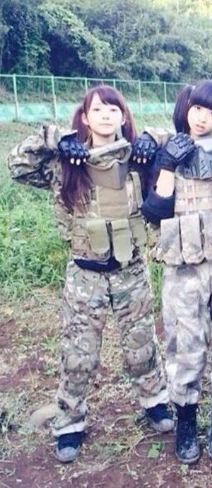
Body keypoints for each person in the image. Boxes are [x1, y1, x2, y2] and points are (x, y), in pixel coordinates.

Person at [7, 85, 172, 463]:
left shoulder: (137, 158)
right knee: (78, 353)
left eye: (113, 109)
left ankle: (155, 401)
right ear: (84, 117)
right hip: (85, 274)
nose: (106, 116)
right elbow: (17, 165)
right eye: (97, 110)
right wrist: (55, 139)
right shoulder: (66, 162)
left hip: (130, 270)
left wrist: (151, 137)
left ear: (123, 116)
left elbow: (177, 142)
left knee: (141, 345)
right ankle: (69, 420)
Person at [134, 79, 212, 464]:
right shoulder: (167, 148)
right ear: (186, 106)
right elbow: (154, 212)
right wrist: (166, 162)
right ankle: (185, 420)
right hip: (183, 270)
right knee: (184, 348)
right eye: (197, 108)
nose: (203, 118)